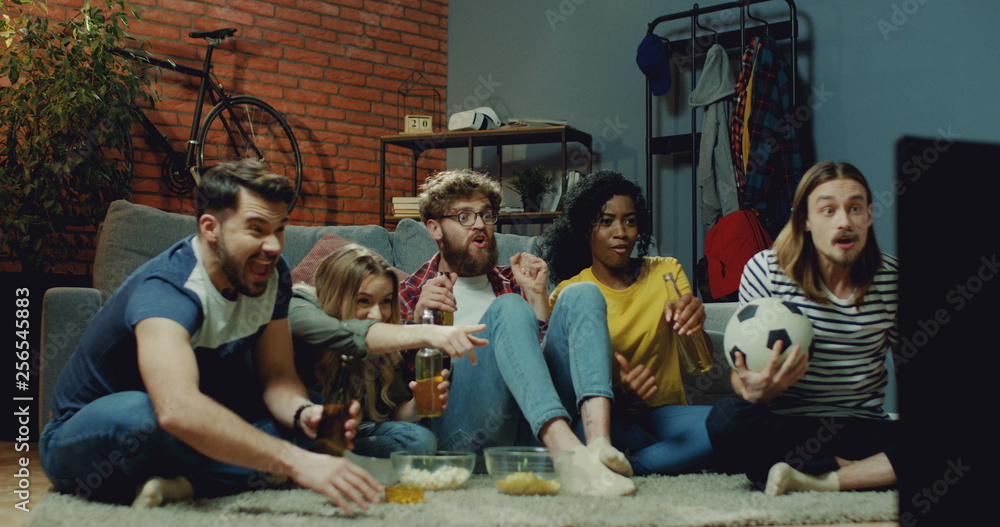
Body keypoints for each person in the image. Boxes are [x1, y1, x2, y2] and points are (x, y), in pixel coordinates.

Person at [39, 160, 382, 514]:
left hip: (191, 420)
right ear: (210, 228)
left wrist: (302, 413)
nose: (273, 246)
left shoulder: (270, 274)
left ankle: (186, 483)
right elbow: (177, 408)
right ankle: (246, 470)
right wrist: (294, 461)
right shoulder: (167, 290)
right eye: (256, 229)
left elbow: (278, 375)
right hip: (93, 433)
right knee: (145, 419)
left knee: (311, 415)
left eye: (279, 229)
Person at [399, 168, 635, 497]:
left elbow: (535, 368)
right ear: (434, 228)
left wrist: (538, 300)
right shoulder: (413, 292)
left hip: (528, 430)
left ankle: (598, 446)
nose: (480, 225)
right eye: (464, 217)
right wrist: (419, 325)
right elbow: (398, 391)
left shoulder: (515, 281)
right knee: (508, 307)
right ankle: (567, 455)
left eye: (486, 215)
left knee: (582, 293)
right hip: (467, 434)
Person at [705, 161, 899, 496]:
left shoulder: (892, 277)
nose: (844, 221)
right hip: (788, 425)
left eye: (855, 208)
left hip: (863, 426)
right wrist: (754, 390)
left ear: (869, 215)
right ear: (805, 220)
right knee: (725, 420)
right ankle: (869, 472)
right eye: (828, 210)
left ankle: (817, 478)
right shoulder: (765, 270)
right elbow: (741, 373)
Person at [537, 170, 715, 476]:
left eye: (630, 221)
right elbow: (564, 381)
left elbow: (703, 359)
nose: (621, 232)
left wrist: (695, 326)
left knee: (736, 422)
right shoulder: (570, 293)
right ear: (585, 229)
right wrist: (621, 393)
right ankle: (668, 456)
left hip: (665, 414)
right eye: (606, 222)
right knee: (580, 436)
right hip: (607, 421)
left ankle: (632, 465)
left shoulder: (666, 272)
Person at [289, 243, 487, 457]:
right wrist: (426, 332)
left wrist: (417, 405)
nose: (377, 315)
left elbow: (393, 414)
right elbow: (339, 332)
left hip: (355, 434)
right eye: (363, 301)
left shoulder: (386, 337)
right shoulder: (297, 306)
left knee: (419, 439)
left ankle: (342, 460)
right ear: (335, 295)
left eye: (385, 301)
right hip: (301, 428)